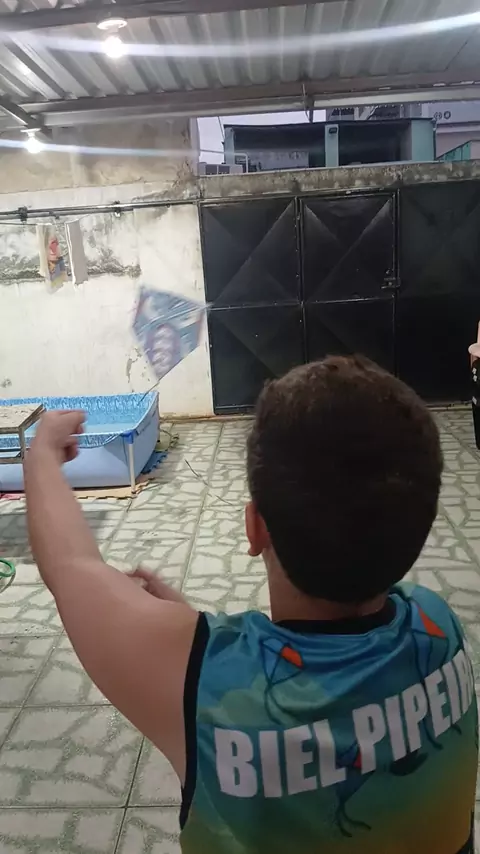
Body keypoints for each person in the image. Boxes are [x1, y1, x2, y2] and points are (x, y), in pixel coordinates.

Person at [24, 356, 478, 854]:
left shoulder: (205, 688)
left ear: (255, 527)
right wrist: (189, 630)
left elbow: (70, 566)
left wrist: (41, 454)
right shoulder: (439, 626)